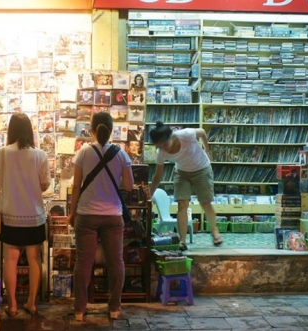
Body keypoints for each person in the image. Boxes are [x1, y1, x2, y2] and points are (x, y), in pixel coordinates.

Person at [68, 112, 134, 321]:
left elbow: (76, 185)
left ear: (92, 129)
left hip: (86, 215)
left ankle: (79, 310)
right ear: (112, 129)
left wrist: (72, 212)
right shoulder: (121, 154)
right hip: (113, 215)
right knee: (116, 262)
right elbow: (129, 186)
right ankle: (114, 308)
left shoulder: (83, 152)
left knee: (84, 263)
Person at [0, 113, 51, 317]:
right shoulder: (40, 155)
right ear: (29, 131)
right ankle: (32, 303)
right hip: (34, 216)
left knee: (10, 259)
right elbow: (44, 186)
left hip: (10, 214)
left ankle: (13, 305)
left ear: (11, 130)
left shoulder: (2, 153)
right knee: (34, 259)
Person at [149, 121, 222, 251]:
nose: (164, 148)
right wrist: (149, 195)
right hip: (182, 172)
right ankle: (182, 241)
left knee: (205, 202)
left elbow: (203, 133)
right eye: (159, 146)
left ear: (171, 137)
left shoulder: (185, 135)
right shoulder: (161, 152)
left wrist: (207, 150)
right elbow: (158, 176)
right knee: (182, 205)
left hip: (201, 168)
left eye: (165, 143)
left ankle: (215, 232)